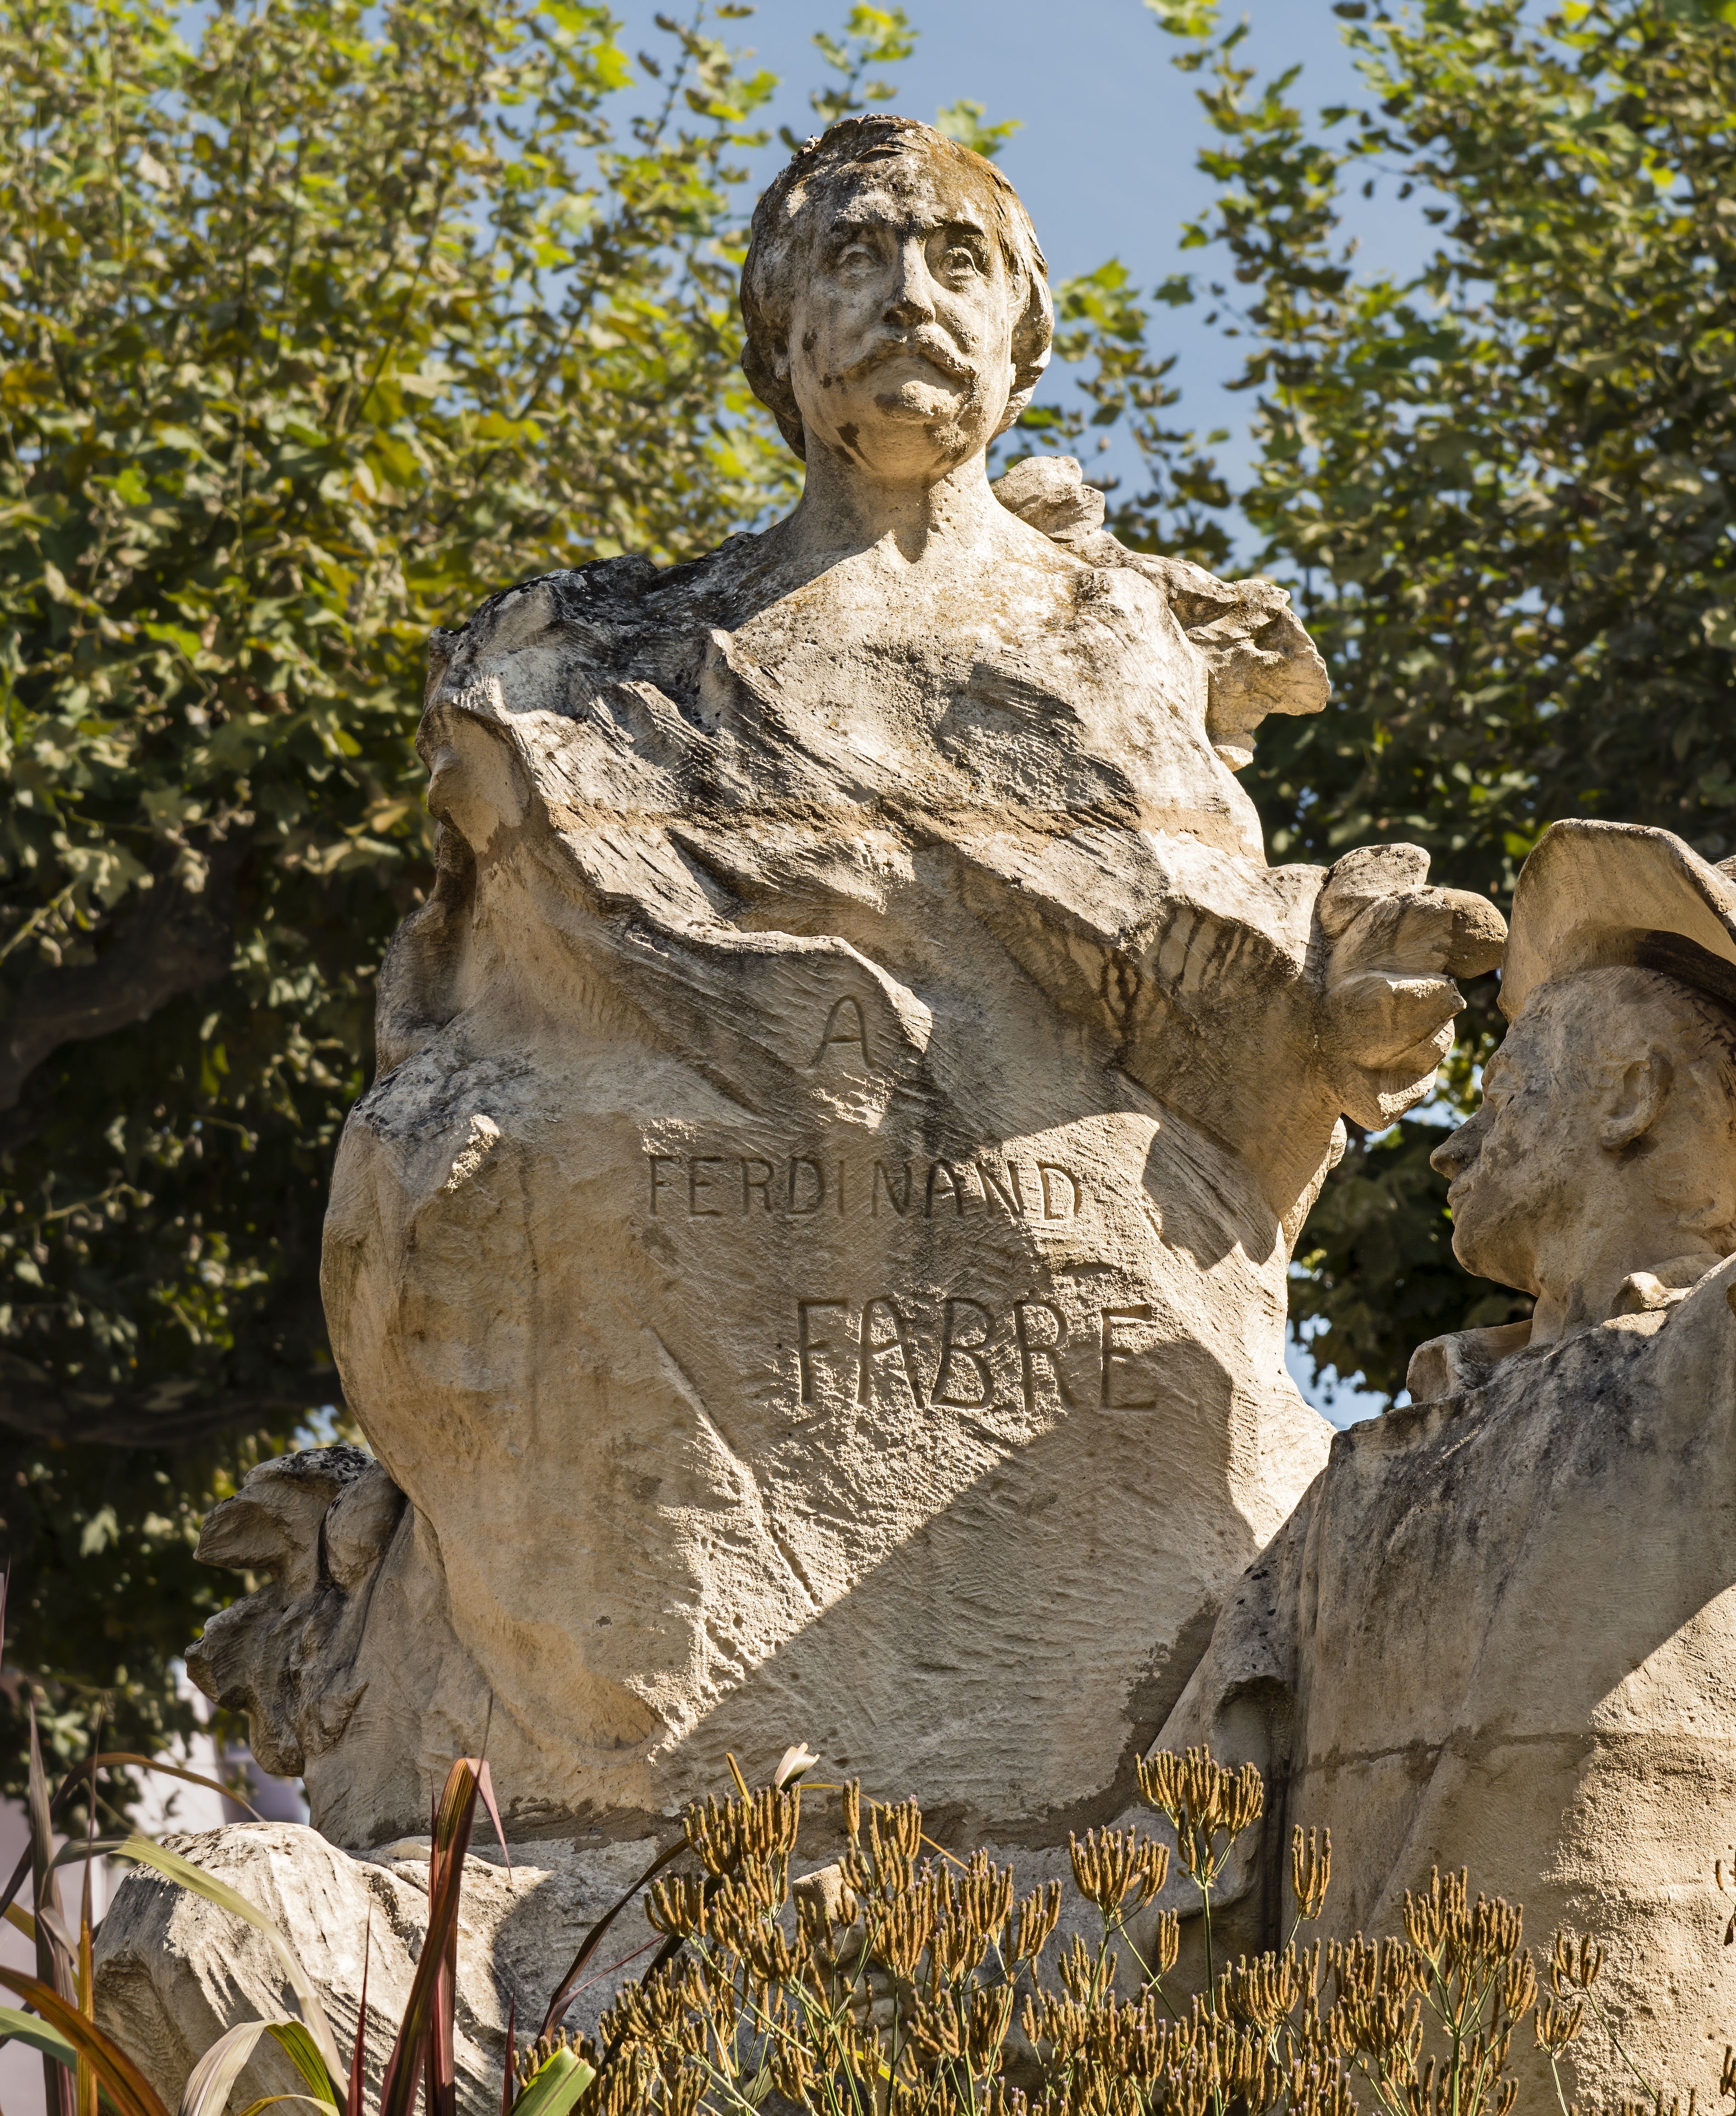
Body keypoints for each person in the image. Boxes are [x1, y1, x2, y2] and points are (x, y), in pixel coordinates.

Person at [250, 114, 1506, 1849]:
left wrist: (1344, 1006)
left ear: (1023, 334)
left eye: (958, 258)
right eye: (856, 256)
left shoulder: (1121, 651)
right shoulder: (598, 664)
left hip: (1104, 1460)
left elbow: (1234, 1033)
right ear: (780, 329)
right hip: (641, 1532)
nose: (909, 292)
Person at [1157, 812, 1736, 2116]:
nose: (1454, 1145)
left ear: (1628, 1093)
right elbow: (1182, 1877)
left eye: (1506, 1084)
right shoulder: (1364, 1482)